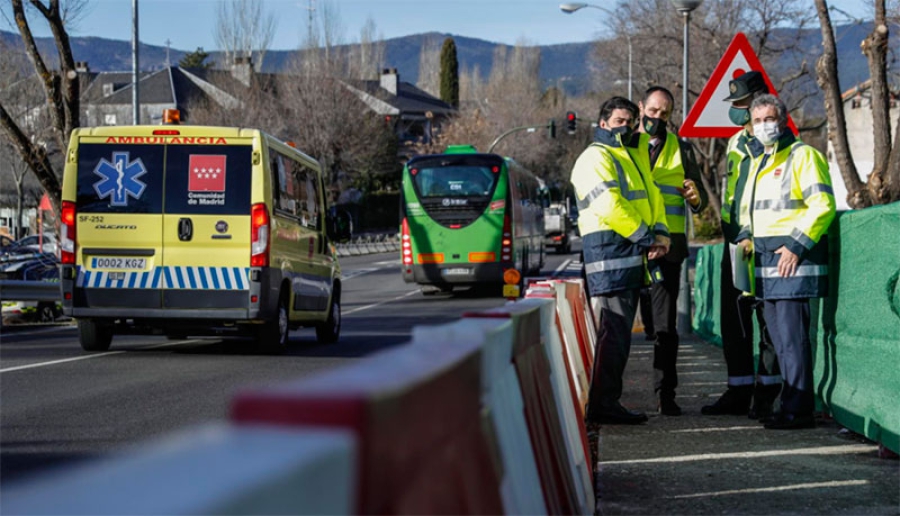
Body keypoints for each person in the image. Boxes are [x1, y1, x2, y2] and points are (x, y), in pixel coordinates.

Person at [737, 93, 836, 429]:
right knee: (779, 341)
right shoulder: (759, 161)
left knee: (792, 340)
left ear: (782, 121)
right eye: (757, 120)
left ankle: (799, 409)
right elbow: (750, 211)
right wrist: (746, 236)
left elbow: (822, 205)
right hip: (765, 264)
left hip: (792, 261)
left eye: (769, 119)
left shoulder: (803, 155)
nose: (764, 126)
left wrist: (796, 247)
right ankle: (789, 404)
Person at [570, 96, 670, 425]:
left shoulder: (631, 155)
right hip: (611, 256)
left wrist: (661, 234)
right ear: (603, 124)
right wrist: (647, 237)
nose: (625, 127)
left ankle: (606, 401)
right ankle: (603, 404)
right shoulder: (594, 158)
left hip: (629, 255)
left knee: (620, 336)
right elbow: (609, 206)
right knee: (612, 336)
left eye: (630, 121)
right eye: (618, 122)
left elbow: (652, 197)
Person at [702, 71, 783, 420]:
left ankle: (767, 395)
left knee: (769, 322)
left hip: (765, 241)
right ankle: (738, 390)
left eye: (741, 104)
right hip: (734, 241)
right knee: (733, 320)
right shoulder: (736, 143)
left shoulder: (782, 142)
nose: (736, 111)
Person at [636, 86, 708, 416]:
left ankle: (665, 394)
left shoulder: (682, 148)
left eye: (664, 114)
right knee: (625, 324)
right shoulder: (623, 145)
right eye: (652, 112)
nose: (658, 119)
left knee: (665, 328)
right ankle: (607, 395)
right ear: (641, 108)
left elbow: (700, 198)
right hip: (629, 247)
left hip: (668, 250)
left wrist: (695, 198)